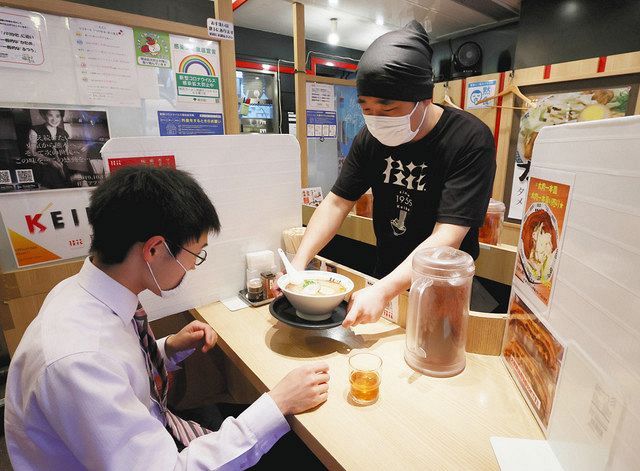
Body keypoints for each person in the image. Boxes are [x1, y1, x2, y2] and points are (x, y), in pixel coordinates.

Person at [5, 166, 330, 470]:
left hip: (152, 433)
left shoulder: (82, 293)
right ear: (154, 250)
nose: (192, 266)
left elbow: (118, 372)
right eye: (195, 254)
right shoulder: (79, 360)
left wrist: (167, 350)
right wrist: (276, 403)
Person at [290, 21, 496, 328]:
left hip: (441, 285)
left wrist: (384, 291)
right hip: (385, 271)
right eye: (366, 108)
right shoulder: (369, 139)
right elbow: (336, 203)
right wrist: (298, 264)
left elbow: (447, 236)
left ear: (424, 100)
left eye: (387, 108)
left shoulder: (468, 139)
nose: (375, 119)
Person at [26, 109, 72, 189]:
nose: (54, 119)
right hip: (43, 171)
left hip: (61, 171)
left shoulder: (64, 133)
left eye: (58, 116)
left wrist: (64, 161)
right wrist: (50, 161)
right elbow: (32, 151)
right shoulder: (35, 130)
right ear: (44, 115)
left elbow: (66, 153)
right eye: (50, 115)